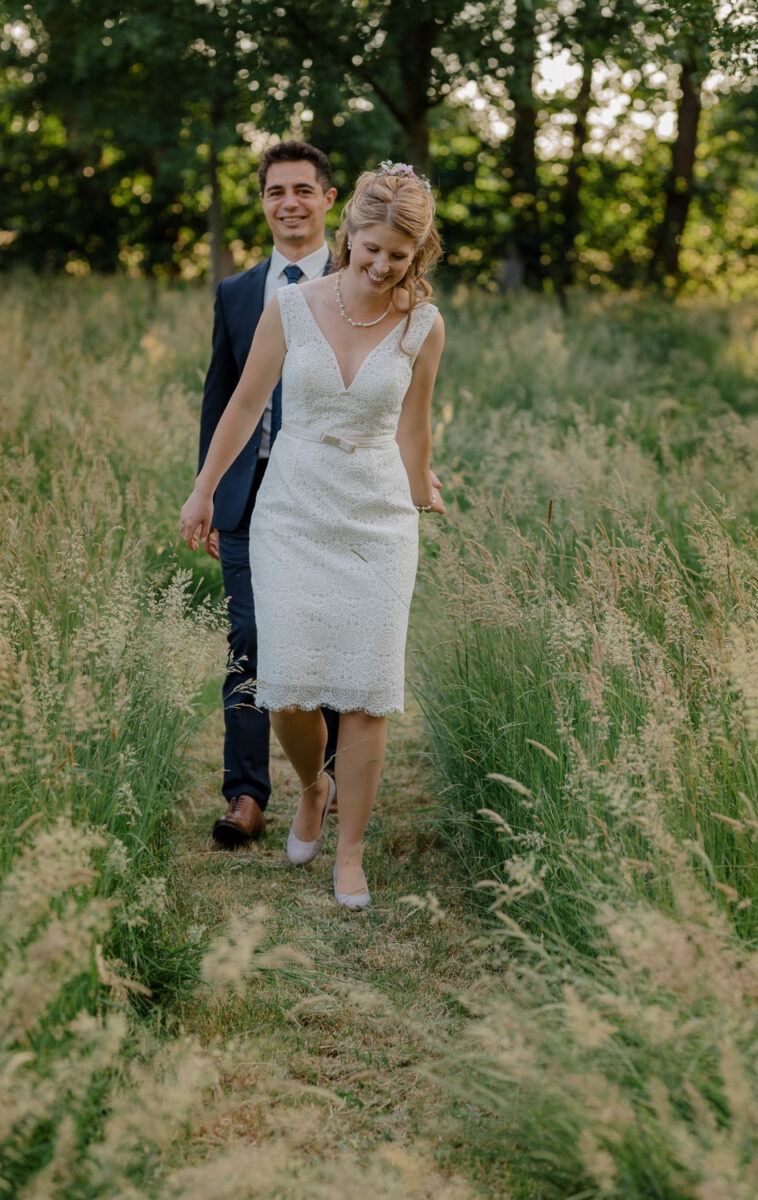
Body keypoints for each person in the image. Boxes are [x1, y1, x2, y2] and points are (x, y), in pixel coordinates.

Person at [181, 162, 445, 908]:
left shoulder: (424, 324)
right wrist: (203, 490)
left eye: (400, 256)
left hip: (377, 517)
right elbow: (241, 406)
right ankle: (311, 785)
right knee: (290, 687)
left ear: (416, 251)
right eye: (372, 250)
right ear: (349, 233)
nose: (383, 266)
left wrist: (422, 483)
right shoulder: (292, 307)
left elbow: (413, 426)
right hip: (292, 509)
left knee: (365, 690)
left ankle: (351, 855)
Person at [197, 141, 341, 848]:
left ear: (328, 201)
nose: (289, 203)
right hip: (251, 498)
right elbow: (221, 402)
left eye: (303, 191)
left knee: (330, 636)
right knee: (249, 640)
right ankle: (246, 796)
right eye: (276, 191)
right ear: (264, 202)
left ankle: (332, 779)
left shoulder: (359, 281)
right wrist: (212, 495)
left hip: (330, 497)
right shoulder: (236, 293)